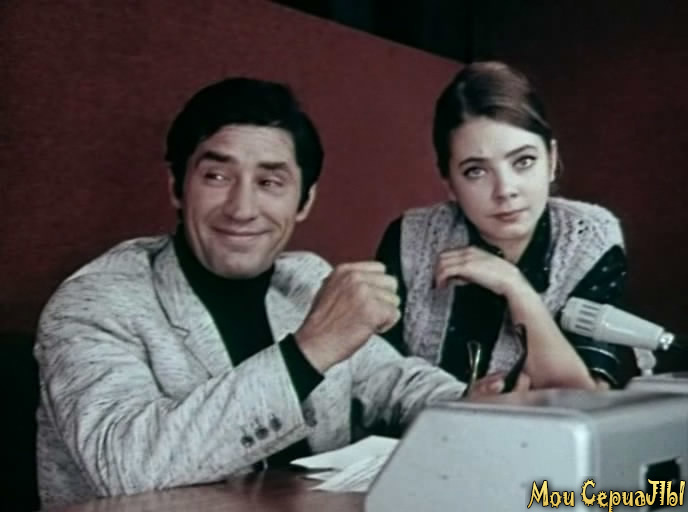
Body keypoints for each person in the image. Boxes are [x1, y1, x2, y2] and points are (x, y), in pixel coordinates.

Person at [34, 77, 474, 508]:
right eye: (216, 176)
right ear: (177, 188)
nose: (242, 209)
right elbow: (125, 468)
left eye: (269, 183)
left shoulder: (305, 279)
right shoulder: (95, 301)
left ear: (304, 202)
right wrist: (309, 350)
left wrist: (473, 404)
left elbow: (396, 382)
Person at [375, 61, 644, 393]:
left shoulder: (589, 238)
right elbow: (376, 376)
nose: (505, 190)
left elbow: (587, 397)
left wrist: (515, 287)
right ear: (449, 183)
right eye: (476, 171)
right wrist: (459, 401)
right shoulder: (410, 238)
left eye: (523, 161)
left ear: (551, 159)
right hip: (428, 425)